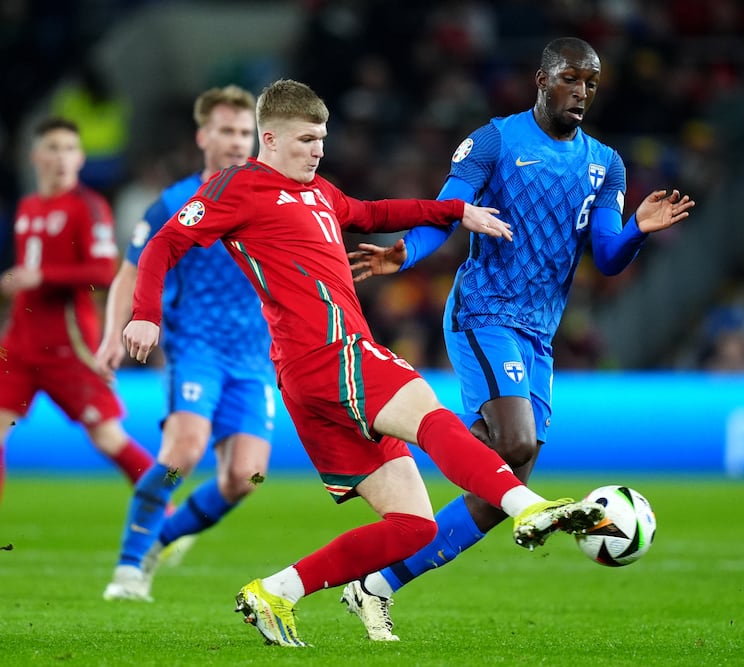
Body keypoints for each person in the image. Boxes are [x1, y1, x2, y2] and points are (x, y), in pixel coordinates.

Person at [121, 78, 607, 647]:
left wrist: (455, 210)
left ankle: (277, 591)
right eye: (305, 139)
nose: (317, 150)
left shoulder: (320, 193)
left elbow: (374, 212)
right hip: (329, 353)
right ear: (269, 138)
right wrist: (145, 314)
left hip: (312, 378)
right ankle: (526, 507)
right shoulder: (240, 186)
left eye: (322, 138)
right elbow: (163, 244)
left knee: (413, 527)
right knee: (427, 409)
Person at [344, 36, 696, 641]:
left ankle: (378, 583)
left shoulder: (606, 163)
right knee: (514, 445)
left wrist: (637, 228)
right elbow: (447, 209)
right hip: (484, 312)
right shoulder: (496, 142)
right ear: (540, 79)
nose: (581, 91)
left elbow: (608, 257)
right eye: (570, 79)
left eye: (590, 82)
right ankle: (408, 439)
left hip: (539, 333)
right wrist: (405, 256)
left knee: (511, 474)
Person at [98, 86, 274, 602]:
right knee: (183, 453)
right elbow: (129, 272)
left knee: (247, 476)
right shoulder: (175, 203)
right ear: (203, 136)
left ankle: (161, 540)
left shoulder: (272, 198)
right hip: (195, 348)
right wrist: (115, 331)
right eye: (226, 130)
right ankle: (129, 569)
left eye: (245, 133)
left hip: (255, 357)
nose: (237, 142)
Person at [0, 118, 154, 503]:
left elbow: (103, 270)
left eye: (69, 148)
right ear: (36, 156)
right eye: (53, 148)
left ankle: (165, 513)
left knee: (107, 437)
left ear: (81, 158)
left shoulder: (89, 206)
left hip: (69, 346)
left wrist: (42, 276)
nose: (62, 157)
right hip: (20, 345)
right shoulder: (28, 206)